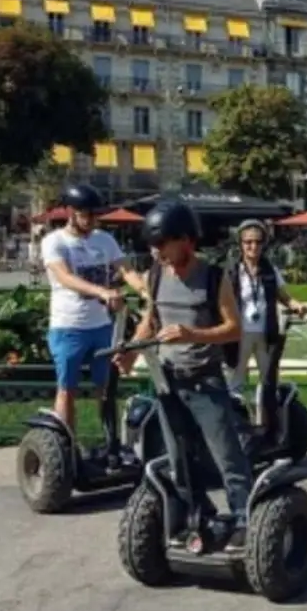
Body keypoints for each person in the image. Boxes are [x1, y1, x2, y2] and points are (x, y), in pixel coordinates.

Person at [113, 201, 253, 549]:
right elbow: (151, 320)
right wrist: (131, 351)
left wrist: (193, 335)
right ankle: (197, 515)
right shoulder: (157, 275)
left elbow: (234, 329)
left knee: (226, 454)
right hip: (167, 380)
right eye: (153, 245)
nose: (156, 251)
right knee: (178, 457)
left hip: (204, 380)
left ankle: (242, 518)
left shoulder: (214, 277)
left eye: (163, 244)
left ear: (187, 240)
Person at [41, 184, 146, 436]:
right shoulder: (54, 242)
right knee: (67, 389)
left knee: (106, 388)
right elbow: (65, 277)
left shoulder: (104, 240)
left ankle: (111, 444)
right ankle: (66, 447)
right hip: (69, 326)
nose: (91, 220)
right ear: (70, 212)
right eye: (86, 215)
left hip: (101, 327)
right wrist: (102, 291)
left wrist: (145, 289)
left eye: (95, 215)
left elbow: (125, 269)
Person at [225, 219, 307, 428]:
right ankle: (236, 425)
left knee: (268, 381)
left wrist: (296, 305)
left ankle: (266, 425)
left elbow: (283, 296)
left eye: (258, 242)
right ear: (241, 244)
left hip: (265, 333)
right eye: (248, 242)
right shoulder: (233, 271)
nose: (253, 246)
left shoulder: (269, 270)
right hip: (239, 334)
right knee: (235, 380)